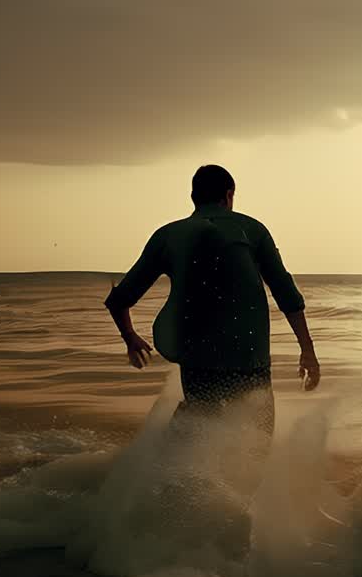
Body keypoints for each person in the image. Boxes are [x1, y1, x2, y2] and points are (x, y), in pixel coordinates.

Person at [104, 164, 320, 419]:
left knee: (201, 425)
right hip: (249, 356)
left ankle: (167, 448)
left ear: (193, 197)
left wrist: (130, 338)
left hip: (197, 358)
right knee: (255, 439)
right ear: (229, 195)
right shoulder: (253, 230)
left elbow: (120, 299)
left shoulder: (167, 235)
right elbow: (286, 294)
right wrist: (307, 350)